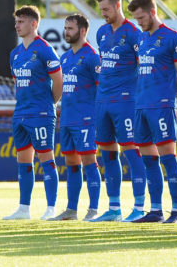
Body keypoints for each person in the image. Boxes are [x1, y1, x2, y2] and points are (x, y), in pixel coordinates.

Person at [127, 0, 177, 223]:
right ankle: (155, 211)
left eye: (141, 17)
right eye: (135, 19)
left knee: (168, 159)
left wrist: (170, 101)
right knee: (148, 160)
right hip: (141, 107)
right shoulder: (142, 39)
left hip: (161, 107)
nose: (139, 22)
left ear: (153, 12)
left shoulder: (172, 37)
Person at [89, 0, 147, 222]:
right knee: (108, 154)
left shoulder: (133, 33)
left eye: (106, 9)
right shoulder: (102, 32)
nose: (103, 13)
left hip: (125, 101)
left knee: (132, 152)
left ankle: (140, 207)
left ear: (117, 6)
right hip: (102, 101)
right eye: (100, 9)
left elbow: (143, 67)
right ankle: (113, 208)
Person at [3, 5, 63, 220]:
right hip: (20, 113)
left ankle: (51, 208)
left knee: (47, 159)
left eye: (21, 21)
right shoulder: (15, 53)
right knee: (24, 162)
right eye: (16, 21)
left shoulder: (45, 49)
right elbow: (20, 82)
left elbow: (58, 82)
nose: (17, 25)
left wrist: (49, 104)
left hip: (41, 113)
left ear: (34, 24)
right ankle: (24, 208)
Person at [48, 14, 102, 221]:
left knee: (89, 160)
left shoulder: (92, 57)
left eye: (70, 28)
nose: (66, 32)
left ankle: (93, 209)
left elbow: (100, 90)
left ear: (82, 31)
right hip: (68, 118)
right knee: (71, 162)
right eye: (65, 28)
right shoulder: (65, 57)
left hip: (86, 119)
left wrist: (97, 118)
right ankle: (71, 210)